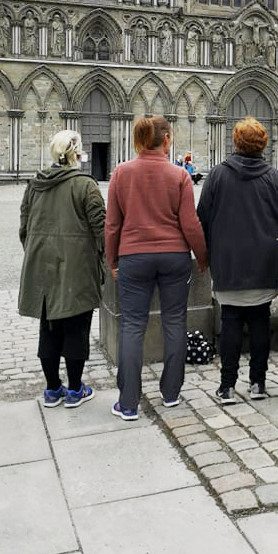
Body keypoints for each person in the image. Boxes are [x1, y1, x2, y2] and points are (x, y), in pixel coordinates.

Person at [105, 116, 207, 420]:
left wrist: (113, 260)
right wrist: (201, 257)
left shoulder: (121, 173)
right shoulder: (179, 176)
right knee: (175, 321)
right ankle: (172, 393)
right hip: (174, 256)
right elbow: (191, 223)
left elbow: (112, 225)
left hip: (134, 257)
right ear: (166, 140)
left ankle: (128, 403)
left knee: (132, 325)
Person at [197, 118, 278, 404]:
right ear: (263, 145)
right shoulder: (274, 177)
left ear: (235, 142)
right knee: (260, 320)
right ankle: (258, 384)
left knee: (231, 321)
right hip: (265, 263)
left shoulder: (217, 175)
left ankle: (227, 387)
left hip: (229, 263)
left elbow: (201, 216)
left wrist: (209, 251)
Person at [18, 131, 105, 409]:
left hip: (42, 268)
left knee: (49, 328)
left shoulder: (34, 185)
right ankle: (75, 390)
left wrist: (39, 254)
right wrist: (100, 260)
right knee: (76, 329)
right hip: (77, 268)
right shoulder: (86, 185)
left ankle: (52, 389)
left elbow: (24, 228)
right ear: (77, 154)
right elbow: (102, 229)